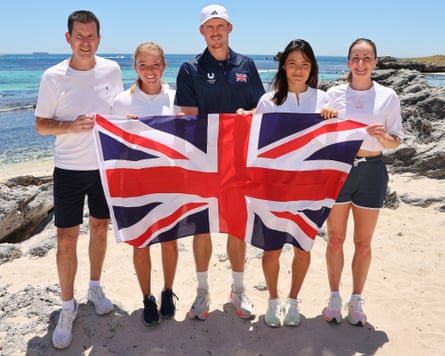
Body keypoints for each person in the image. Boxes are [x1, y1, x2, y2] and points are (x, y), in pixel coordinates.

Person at [35, 10, 123, 349]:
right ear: (68, 37)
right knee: (66, 238)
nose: (85, 42)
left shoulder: (112, 70)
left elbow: (119, 112)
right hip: (69, 169)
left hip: (104, 165)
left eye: (91, 36)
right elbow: (41, 125)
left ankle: (95, 287)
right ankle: (68, 307)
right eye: (79, 35)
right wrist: (70, 126)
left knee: (100, 228)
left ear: (99, 39)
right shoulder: (53, 77)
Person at [174, 4, 265, 320]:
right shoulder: (190, 69)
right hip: (203, 161)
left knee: (237, 226)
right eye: (209, 27)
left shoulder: (247, 65)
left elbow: (261, 111)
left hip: (239, 162)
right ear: (202, 32)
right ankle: (202, 293)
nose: (215, 32)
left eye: (220, 26)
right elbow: (187, 120)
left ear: (230, 29)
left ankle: (238, 291)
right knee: (202, 227)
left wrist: (248, 116)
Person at [255, 39, 337, 327]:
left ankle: (293, 301)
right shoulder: (269, 101)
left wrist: (332, 119)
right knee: (272, 249)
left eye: (305, 64)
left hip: (311, 187)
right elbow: (256, 145)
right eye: (292, 63)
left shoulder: (324, 99)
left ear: (312, 67)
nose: (298, 69)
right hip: (275, 188)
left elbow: (332, 141)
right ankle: (273, 300)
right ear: (283, 66)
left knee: (304, 247)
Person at [322, 38, 403, 326]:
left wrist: (382, 137)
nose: (360, 62)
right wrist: (325, 118)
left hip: (372, 170)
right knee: (335, 240)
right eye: (355, 57)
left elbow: (395, 141)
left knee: (363, 243)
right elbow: (317, 132)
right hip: (339, 170)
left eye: (366, 57)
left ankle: (356, 300)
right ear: (347, 62)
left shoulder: (388, 97)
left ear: (375, 62)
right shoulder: (332, 95)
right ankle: (333, 297)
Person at [111, 42, 180, 326]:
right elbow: (112, 147)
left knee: (169, 241)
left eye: (155, 65)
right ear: (135, 67)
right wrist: (124, 130)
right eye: (143, 65)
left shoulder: (176, 98)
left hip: (170, 180)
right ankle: (147, 297)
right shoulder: (121, 102)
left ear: (163, 66)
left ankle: (167, 291)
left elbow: (188, 138)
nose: (149, 71)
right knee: (141, 242)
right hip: (136, 182)